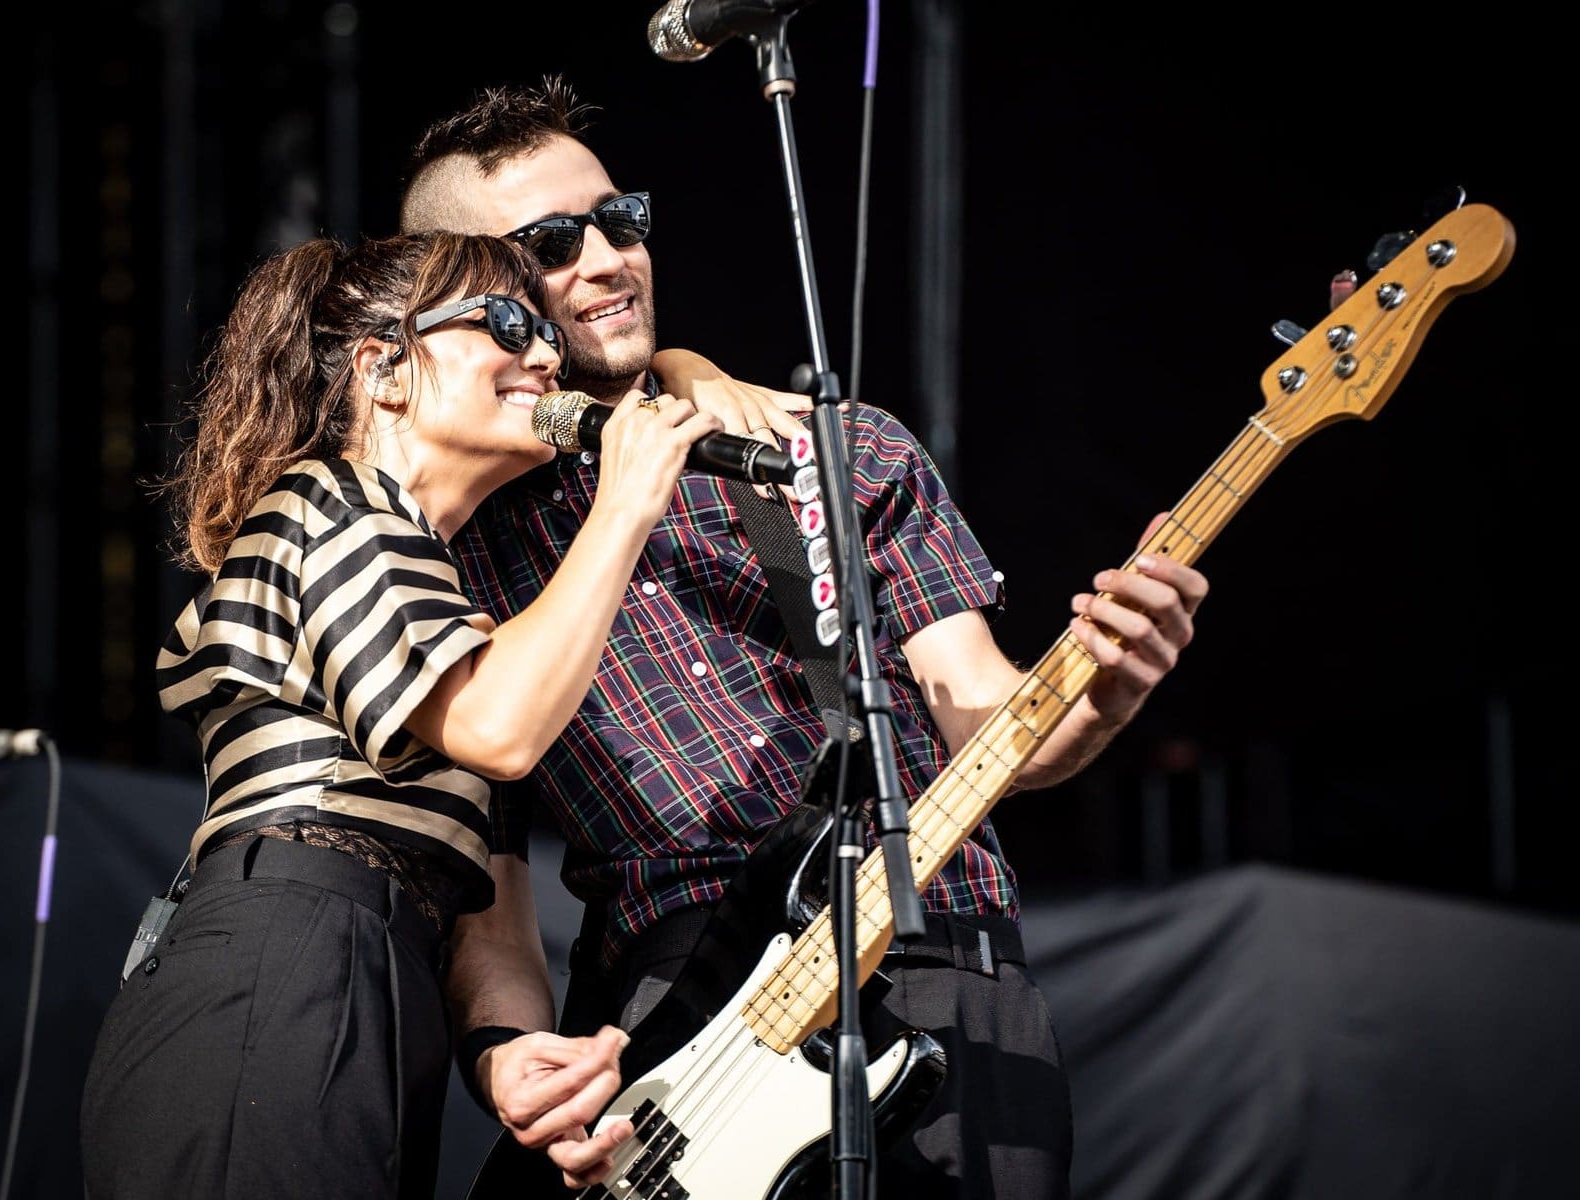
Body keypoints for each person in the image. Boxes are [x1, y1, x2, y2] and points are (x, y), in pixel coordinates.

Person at [399, 78, 1209, 1199]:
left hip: (926, 951)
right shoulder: (460, 544)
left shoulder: (831, 451)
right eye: (548, 242)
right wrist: (507, 1061)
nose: (604, 256)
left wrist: (1104, 694)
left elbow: (984, 715)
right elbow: (488, 874)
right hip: (672, 1012)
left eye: (617, 218)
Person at [78, 229, 729, 1198]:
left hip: (374, 981)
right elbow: (499, 732)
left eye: (547, 331)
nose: (546, 355)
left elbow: (490, 910)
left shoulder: (447, 601)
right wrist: (625, 503)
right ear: (384, 371)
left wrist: (505, 1054)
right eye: (507, 324)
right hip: (286, 958)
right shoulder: (329, 503)